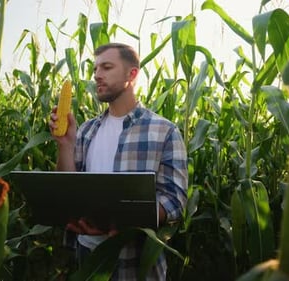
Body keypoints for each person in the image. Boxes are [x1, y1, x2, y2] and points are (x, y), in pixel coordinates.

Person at [49, 42, 188, 280]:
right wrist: (65, 144)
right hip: (87, 254)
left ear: (131, 74)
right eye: (95, 70)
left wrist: (119, 222)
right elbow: (69, 187)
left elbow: (174, 201)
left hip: (133, 262)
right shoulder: (86, 130)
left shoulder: (164, 131)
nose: (97, 76)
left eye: (106, 67)